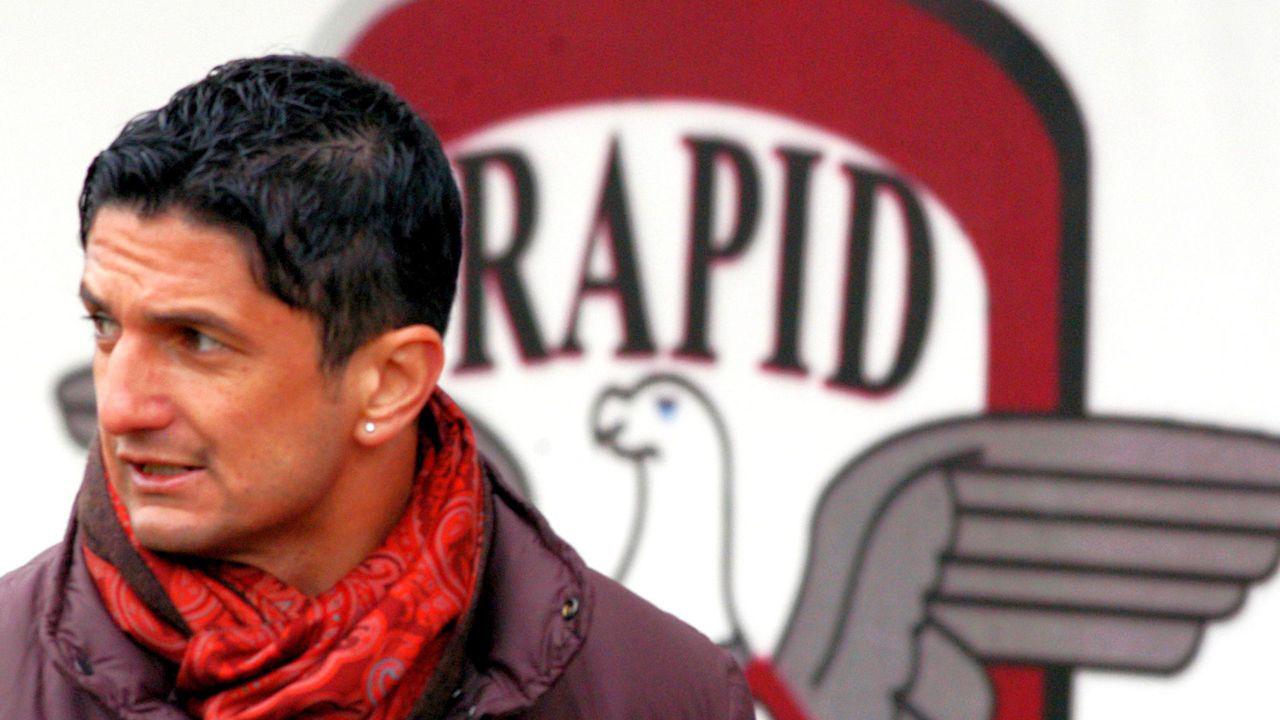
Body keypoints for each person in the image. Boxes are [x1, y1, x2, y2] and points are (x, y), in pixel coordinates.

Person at [0, 55, 752, 720]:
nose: (120, 407)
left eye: (197, 340)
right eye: (105, 326)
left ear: (391, 383)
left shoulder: (663, 694)